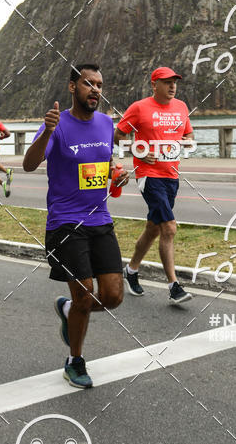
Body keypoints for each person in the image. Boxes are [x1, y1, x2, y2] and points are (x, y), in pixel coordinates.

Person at [23, 64, 128, 389]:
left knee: (113, 296)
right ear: (72, 87)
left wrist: (115, 174)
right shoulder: (57, 125)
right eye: (88, 83)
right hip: (66, 222)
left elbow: (104, 162)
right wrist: (47, 132)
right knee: (85, 295)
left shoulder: (106, 123)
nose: (95, 89)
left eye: (99, 84)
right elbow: (28, 165)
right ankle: (75, 361)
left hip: (101, 219)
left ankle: (69, 310)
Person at [115, 67, 194, 305]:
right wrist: (137, 150)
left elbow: (189, 135)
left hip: (171, 175)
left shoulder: (181, 107)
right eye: (167, 82)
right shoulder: (139, 108)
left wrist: (186, 143)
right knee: (169, 227)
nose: (172, 86)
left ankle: (130, 270)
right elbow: (118, 135)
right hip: (148, 175)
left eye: (174, 82)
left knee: (154, 228)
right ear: (154, 84)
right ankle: (173, 286)